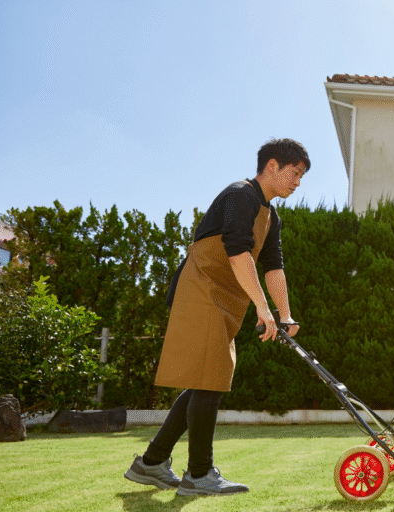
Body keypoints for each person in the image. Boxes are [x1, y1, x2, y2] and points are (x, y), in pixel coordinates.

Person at [124, 138, 309, 496]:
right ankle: (199, 475)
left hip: (224, 294)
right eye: (295, 173)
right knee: (212, 379)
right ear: (273, 165)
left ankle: (151, 463)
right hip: (202, 288)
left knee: (203, 380)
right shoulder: (240, 194)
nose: (298, 182)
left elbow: (274, 266)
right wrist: (263, 307)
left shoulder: (271, 216)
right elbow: (238, 252)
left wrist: (285, 314)